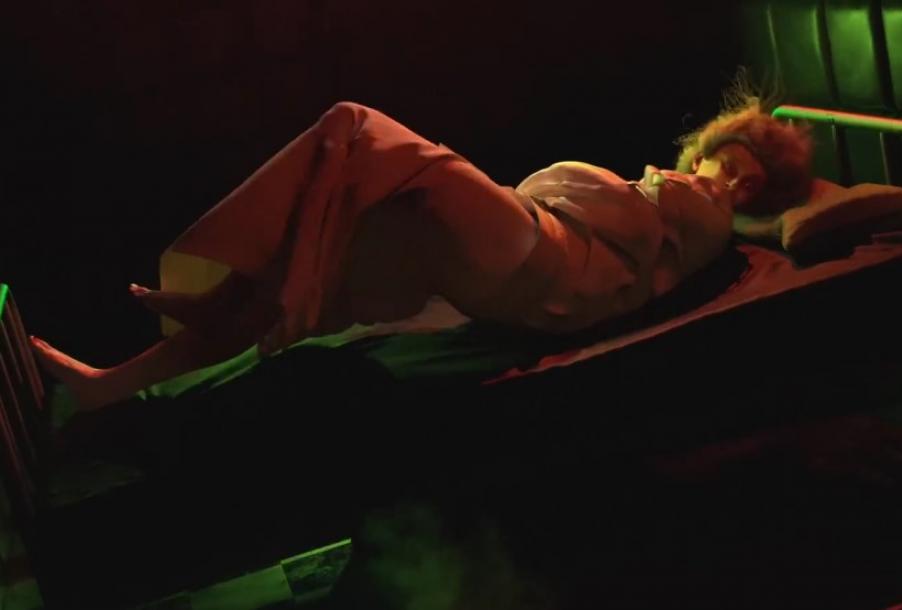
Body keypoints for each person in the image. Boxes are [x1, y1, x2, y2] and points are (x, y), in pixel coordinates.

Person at [30, 92, 814, 411]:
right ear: (713, 144)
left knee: (356, 127)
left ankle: (288, 283)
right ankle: (112, 383)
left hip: (547, 264)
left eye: (747, 189)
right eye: (728, 166)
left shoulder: (705, 221)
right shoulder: (670, 189)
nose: (727, 186)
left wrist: (739, 210)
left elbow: (639, 238)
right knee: (346, 221)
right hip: (527, 246)